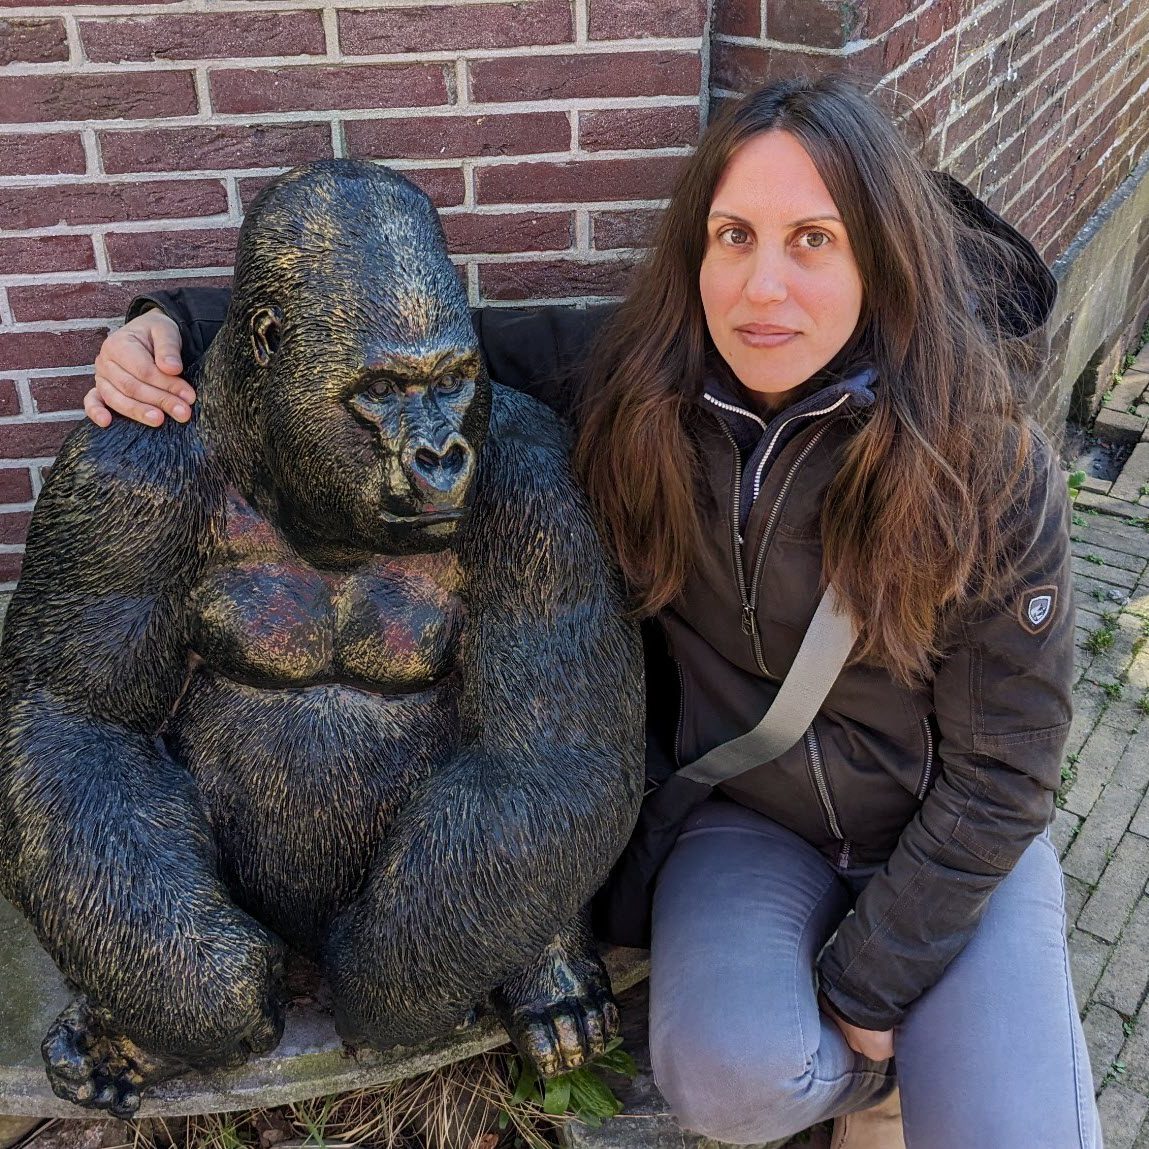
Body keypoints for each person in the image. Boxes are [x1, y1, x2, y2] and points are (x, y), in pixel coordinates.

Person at [83, 77, 1099, 1149]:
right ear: (695, 249)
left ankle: (915, 1064)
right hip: (751, 821)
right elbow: (405, 344)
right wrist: (175, 326)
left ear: (881, 258)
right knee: (731, 1083)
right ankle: (869, 1090)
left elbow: (1007, 769)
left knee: (1007, 1128)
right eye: (734, 234)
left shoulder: (981, 462)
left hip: (948, 827)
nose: (764, 287)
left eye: (815, 240)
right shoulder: (637, 379)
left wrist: (873, 981)